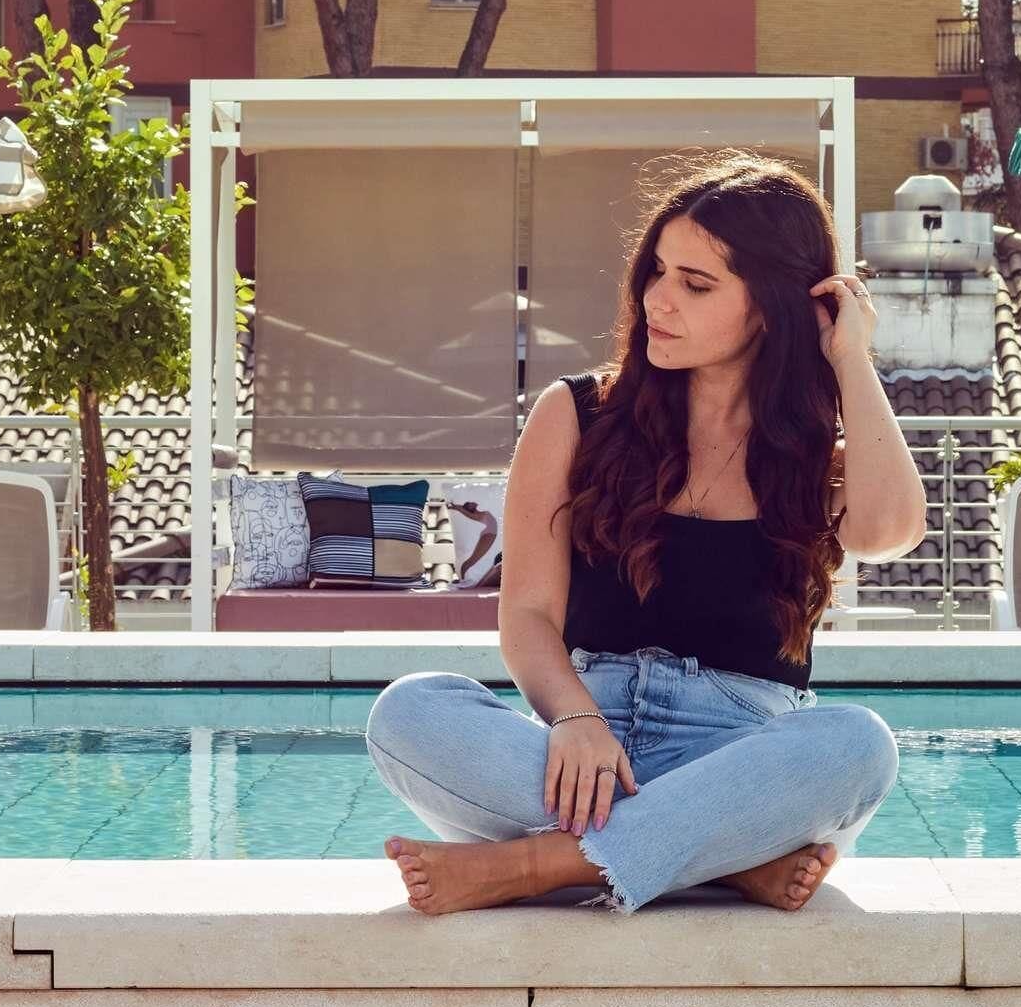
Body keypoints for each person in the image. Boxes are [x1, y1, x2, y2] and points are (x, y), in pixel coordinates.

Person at [366, 153, 924, 915]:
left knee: (857, 745)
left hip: (736, 752)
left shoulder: (812, 450)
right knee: (411, 710)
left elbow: (889, 533)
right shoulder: (577, 414)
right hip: (582, 750)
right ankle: (723, 861)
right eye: (657, 270)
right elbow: (527, 614)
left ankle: (537, 864)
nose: (658, 299)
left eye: (696, 284)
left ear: (771, 306)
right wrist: (576, 719)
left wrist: (850, 358)